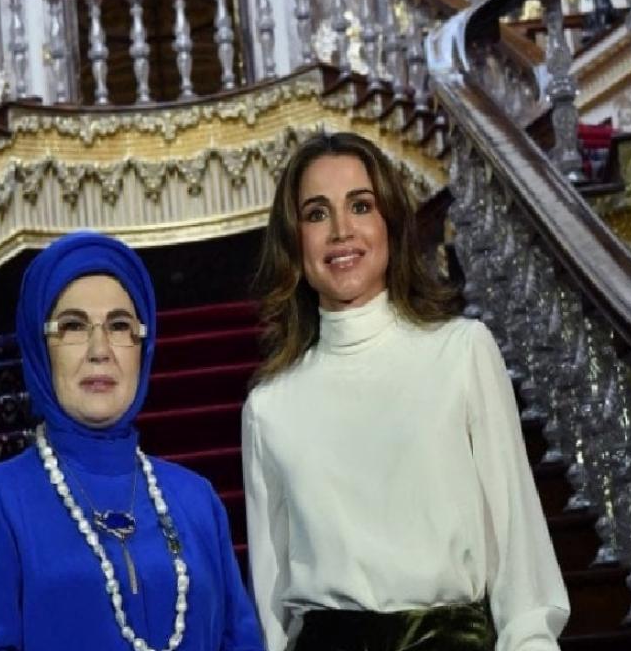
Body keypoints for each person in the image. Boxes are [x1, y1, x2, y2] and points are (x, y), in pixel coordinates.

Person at [243, 132, 569, 651]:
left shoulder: (462, 352)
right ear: (294, 241)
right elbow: (271, 608)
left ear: (390, 225)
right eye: (317, 213)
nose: (341, 230)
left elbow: (521, 566)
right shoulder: (269, 407)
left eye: (360, 206)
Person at [0, 231, 264, 651]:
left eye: (119, 326)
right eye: (73, 326)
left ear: (142, 347)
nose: (100, 350)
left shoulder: (196, 499)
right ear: (40, 348)